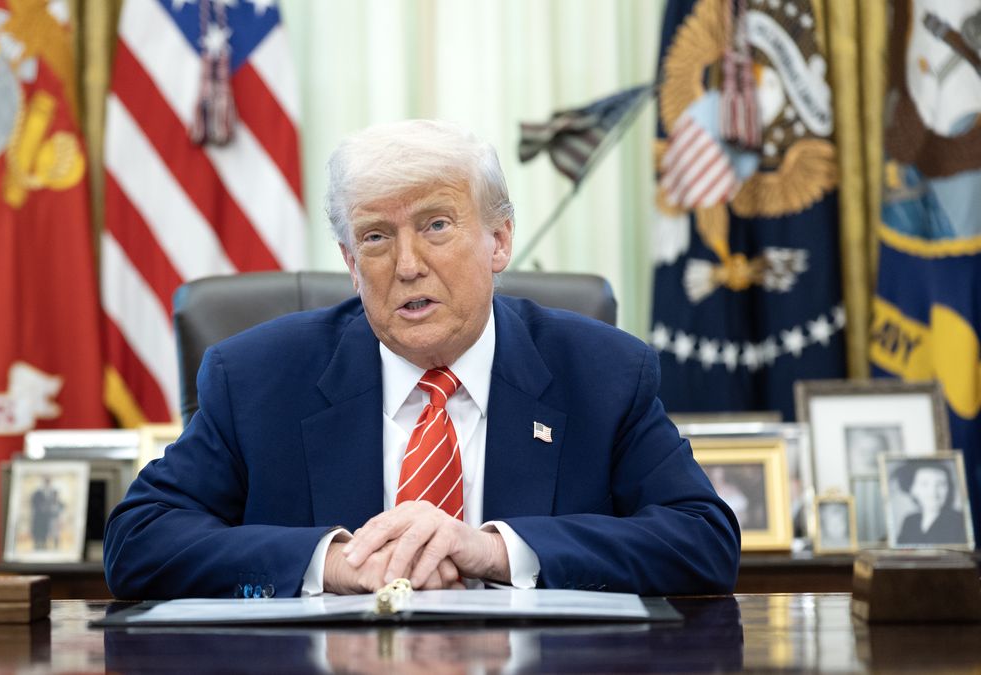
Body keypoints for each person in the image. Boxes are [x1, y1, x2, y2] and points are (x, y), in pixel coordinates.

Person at [103, 120, 740, 599]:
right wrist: (330, 563)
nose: (407, 265)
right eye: (376, 237)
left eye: (437, 225)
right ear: (352, 265)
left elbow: (702, 540)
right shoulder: (257, 378)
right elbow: (140, 541)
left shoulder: (601, 372)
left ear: (499, 240)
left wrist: (495, 550)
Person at [895, 462, 967, 546]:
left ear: (949, 489)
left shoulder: (960, 520)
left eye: (941, 484)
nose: (933, 492)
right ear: (912, 489)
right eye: (924, 484)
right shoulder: (909, 521)